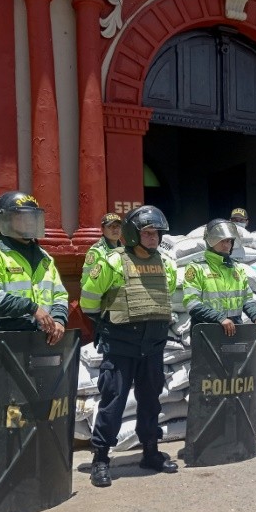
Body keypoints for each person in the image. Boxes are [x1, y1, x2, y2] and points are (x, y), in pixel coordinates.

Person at [80, 205, 178, 488]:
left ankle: (150, 452)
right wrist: (106, 324)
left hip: (153, 344)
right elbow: (88, 300)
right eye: (147, 233)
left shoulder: (166, 262)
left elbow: (167, 293)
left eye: (156, 233)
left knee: (150, 400)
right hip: (121, 344)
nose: (153, 238)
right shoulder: (111, 262)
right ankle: (100, 459)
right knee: (113, 401)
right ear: (133, 234)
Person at [0, 191, 68, 349]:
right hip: (5, 338)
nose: (30, 223)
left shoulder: (44, 257)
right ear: (5, 220)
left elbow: (60, 294)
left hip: (41, 338)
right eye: (23, 217)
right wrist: (31, 308)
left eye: (32, 218)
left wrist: (58, 319)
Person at [183, 218, 256, 336]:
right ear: (210, 241)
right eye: (222, 240)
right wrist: (220, 318)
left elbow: (246, 299)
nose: (226, 245)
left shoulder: (237, 269)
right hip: (207, 331)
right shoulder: (196, 268)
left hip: (235, 329)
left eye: (229, 241)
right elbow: (192, 303)